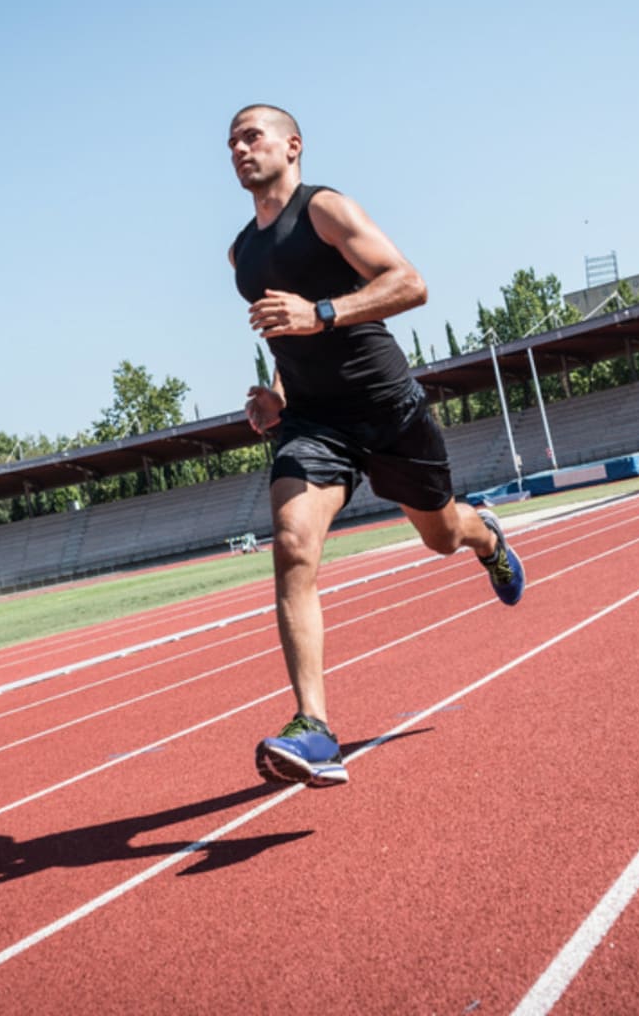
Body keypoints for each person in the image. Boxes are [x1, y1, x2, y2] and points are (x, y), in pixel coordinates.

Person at [227, 104, 525, 787]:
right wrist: (275, 392)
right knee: (293, 543)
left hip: (387, 409)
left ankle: (490, 541)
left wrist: (324, 312)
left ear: (291, 145)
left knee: (442, 535)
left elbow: (409, 283)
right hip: (314, 424)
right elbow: (284, 332)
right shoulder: (242, 253)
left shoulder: (325, 209)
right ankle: (314, 727)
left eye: (253, 135)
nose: (240, 149)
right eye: (231, 142)